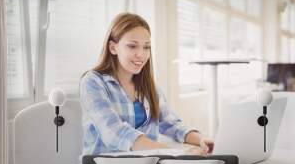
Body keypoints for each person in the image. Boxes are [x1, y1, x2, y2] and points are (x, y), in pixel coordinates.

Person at [80, 13, 214, 156]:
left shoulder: (149, 87)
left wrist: (201, 139)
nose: (141, 54)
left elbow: (172, 124)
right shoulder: (93, 82)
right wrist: (174, 152)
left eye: (146, 47)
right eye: (132, 46)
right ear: (113, 48)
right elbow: (114, 132)